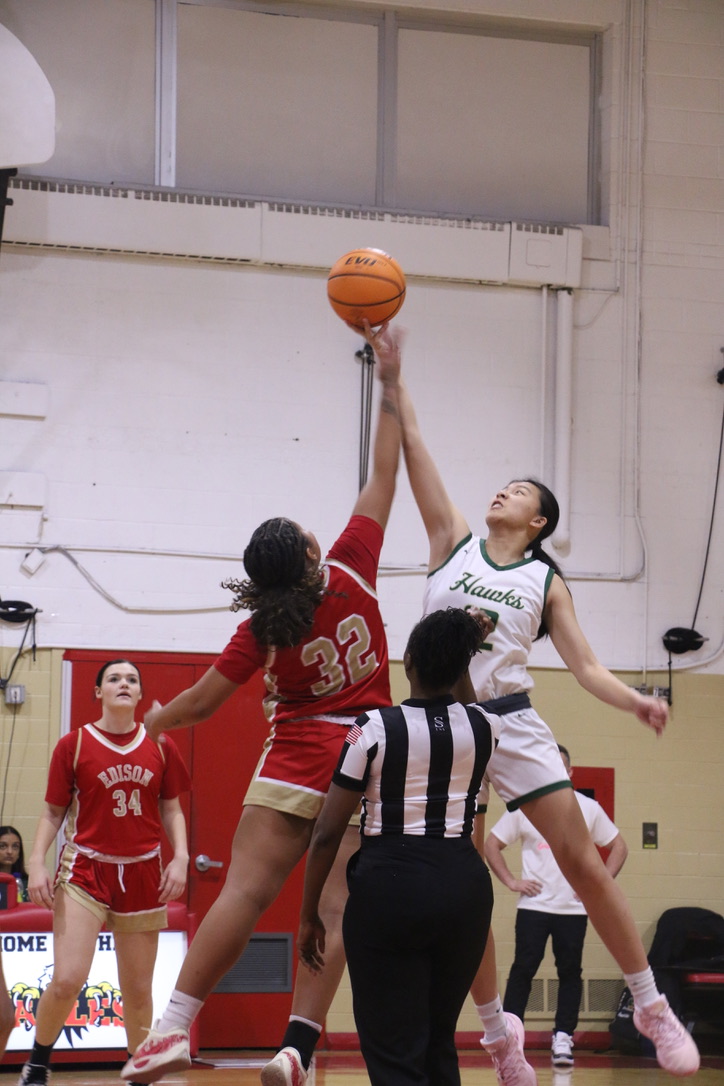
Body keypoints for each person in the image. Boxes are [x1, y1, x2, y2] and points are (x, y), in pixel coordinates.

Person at [395, 345, 700, 1082]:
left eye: (518, 492)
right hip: (440, 725)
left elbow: (587, 665)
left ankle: (652, 1005)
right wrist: (393, 379)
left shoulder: (543, 579)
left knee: (585, 866)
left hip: (511, 721)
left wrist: (635, 702)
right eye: (501, 487)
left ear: (538, 522)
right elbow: (416, 454)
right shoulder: (453, 544)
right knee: (464, 888)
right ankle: (500, 1037)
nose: (502, 494)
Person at [122, 327, 404, 1086]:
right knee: (338, 910)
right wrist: (391, 384)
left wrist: (148, 723)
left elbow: (200, 705)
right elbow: (384, 474)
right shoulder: (352, 569)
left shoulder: (261, 629)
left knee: (245, 894)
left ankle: (172, 1028)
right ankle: (297, 1050)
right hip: (369, 759)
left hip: (297, 757)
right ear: (311, 556)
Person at [298, 607, 496, 1086]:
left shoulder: (372, 727)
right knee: (438, 1044)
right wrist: (463, 650)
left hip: (390, 888)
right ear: (459, 667)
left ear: (407, 662)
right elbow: (469, 707)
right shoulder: (483, 728)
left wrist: (309, 916)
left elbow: (326, 832)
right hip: (465, 890)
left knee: (393, 1053)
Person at [19, 659, 191, 1086]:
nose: (123, 684)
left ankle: (138, 1074)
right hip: (85, 869)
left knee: (136, 990)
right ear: (98, 692)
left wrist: (182, 857)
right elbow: (53, 812)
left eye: (132, 679)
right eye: (114, 678)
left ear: (139, 693)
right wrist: (36, 861)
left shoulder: (161, 744)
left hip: (141, 872)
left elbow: (171, 808)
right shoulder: (74, 744)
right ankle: (38, 1063)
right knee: (67, 979)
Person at [485, 744, 629, 1068]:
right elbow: (491, 844)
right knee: (523, 969)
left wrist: (600, 885)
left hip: (573, 909)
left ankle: (563, 1037)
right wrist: (511, 881)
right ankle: (511, 1040)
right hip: (534, 907)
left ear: (570, 772)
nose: (556, 772)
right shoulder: (526, 807)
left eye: (561, 767)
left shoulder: (588, 808)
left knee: (569, 972)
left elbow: (619, 846)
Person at [0, 826, 29, 902]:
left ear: (19, 853)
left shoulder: (26, 884)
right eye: (2, 846)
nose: (10, 851)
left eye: (15, 847)